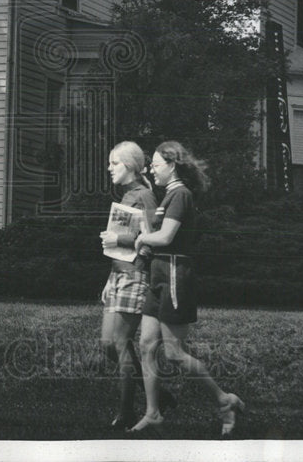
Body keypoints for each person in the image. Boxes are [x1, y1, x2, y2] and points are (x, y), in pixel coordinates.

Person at [129, 140, 245, 439]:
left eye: (156, 165)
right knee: (146, 346)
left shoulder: (180, 194)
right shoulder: (168, 195)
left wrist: (142, 236)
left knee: (175, 352)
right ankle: (153, 413)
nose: (152, 170)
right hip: (158, 274)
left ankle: (224, 401)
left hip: (174, 275)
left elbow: (165, 237)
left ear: (172, 164)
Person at [97, 141, 163, 431]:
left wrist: (119, 240)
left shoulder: (146, 196)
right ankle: (159, 394)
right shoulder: (126, 196)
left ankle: (124, 413)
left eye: (115, 163)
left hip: (135, 276)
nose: (109, 168)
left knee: (121, 344)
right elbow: (122, 243)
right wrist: (108, 278)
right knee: (107, 345)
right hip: (117, 275)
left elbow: (154, 241)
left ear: (132, 166)